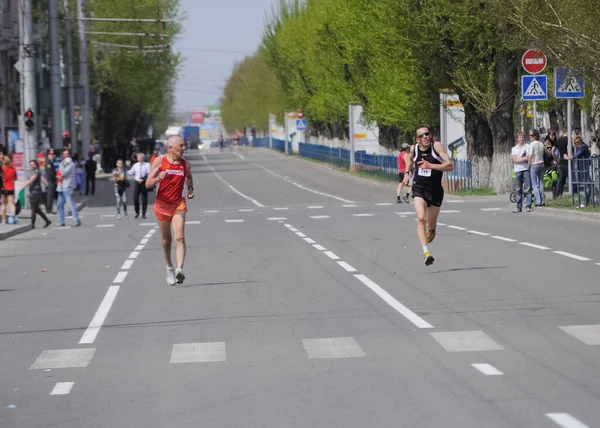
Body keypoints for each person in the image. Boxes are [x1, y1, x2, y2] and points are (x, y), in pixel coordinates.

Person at [146, 136, 194, 286]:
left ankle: (180, 269)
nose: (183, 148)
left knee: (179, 236)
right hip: (162, 204)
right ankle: (169, 267)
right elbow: (147, 184)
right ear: (171, 148)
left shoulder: (186, 165)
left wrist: (190, 188)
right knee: (166, 240)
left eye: (184, 146)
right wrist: (158, 179)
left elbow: (189, 177)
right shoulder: (160, 162)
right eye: (180, 146)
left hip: (178, 204)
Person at [402, 126, 454, 266]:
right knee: (421, 218)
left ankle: (431, 230)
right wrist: (407, 173)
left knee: (430, 224)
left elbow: (450, 166)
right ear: (418, 139)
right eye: (422, 135)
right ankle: (426, 253)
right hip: (419, 188)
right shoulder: (414, 149)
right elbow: (409, 159)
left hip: (435, 190)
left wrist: (431, 166)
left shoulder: (436, 146)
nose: (425, 137)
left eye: (427, 134)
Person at [57, 149, 82, 227]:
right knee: (59, 204)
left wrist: (63, 166)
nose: (65, 156)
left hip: (68, 186)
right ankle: (61, 221)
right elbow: (59, 172)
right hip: (61, 186)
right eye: (64, 154)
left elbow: (63, 172)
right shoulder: (62, 163)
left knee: (70, 204)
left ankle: (76, 220)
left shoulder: (71, 164)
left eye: (67, 154)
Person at [23, 160, 51, 228]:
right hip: (35, 191)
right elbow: (42, 178)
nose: (32, 166)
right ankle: (47, 221)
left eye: (33, 164)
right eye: (31, 164)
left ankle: (32, 225)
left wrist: (22, 187)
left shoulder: (36, 171)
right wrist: (46, 183)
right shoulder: (32, 172)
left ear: (36, 164)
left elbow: (31, 180)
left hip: (35, 192)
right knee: (36, 209)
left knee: (33, 208)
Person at [511, 131, 532, 213]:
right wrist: (521, 159)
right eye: (520, 137)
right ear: (518, 138)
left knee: (528, 188)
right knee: (518, 189)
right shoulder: (514, 149)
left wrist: (518, 160)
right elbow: (514, 160)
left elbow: (528, 158)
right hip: (517, 170)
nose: (522, 138)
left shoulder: (527, 146)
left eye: (523, 137)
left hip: (526, 169)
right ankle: (519, 207)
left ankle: (528, 206)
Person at [127, 152, 151, 218]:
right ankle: (137, 212)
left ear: (143, 158)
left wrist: (143, 179)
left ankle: (143, 213)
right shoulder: (135, 165)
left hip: (144, 182)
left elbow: (149, 173)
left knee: (144, 198)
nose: (140, 159)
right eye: (138, 158)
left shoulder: (147, 165)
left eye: (141, 158)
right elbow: (131, 172)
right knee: (135, 198)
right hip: (137, 182)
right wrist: (124, 172)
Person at [528, 129, 546, 207]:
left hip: (534, 164)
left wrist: (528, 165)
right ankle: (542, 200)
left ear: (535, 136)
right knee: (541, 182)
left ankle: (538, 201)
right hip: (541, 164)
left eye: (531, 135)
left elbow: (530, 156)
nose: (530, 137)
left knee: (534, 184)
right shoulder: (541, 144)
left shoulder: (532, 144)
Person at [1, 155, 17, 225]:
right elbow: (16, 179)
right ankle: (13, 218)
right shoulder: (13, 170)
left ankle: (4, 220)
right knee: (11, 204)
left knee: (3, 204)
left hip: (3, 188)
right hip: (11, 188)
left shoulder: (2, 169)